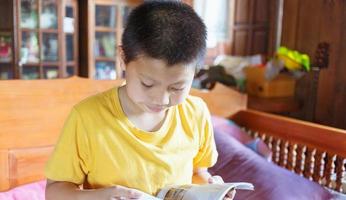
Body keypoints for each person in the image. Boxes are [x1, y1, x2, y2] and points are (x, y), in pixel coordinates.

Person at [45, 1, 236, 200]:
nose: (161, 99)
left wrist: (212, 190)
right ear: (123, 58)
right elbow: (54, 191)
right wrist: (100, 196)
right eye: (147, 84)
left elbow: (198, 172)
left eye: (176, 88)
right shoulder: (87, 118)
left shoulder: (196, 113)